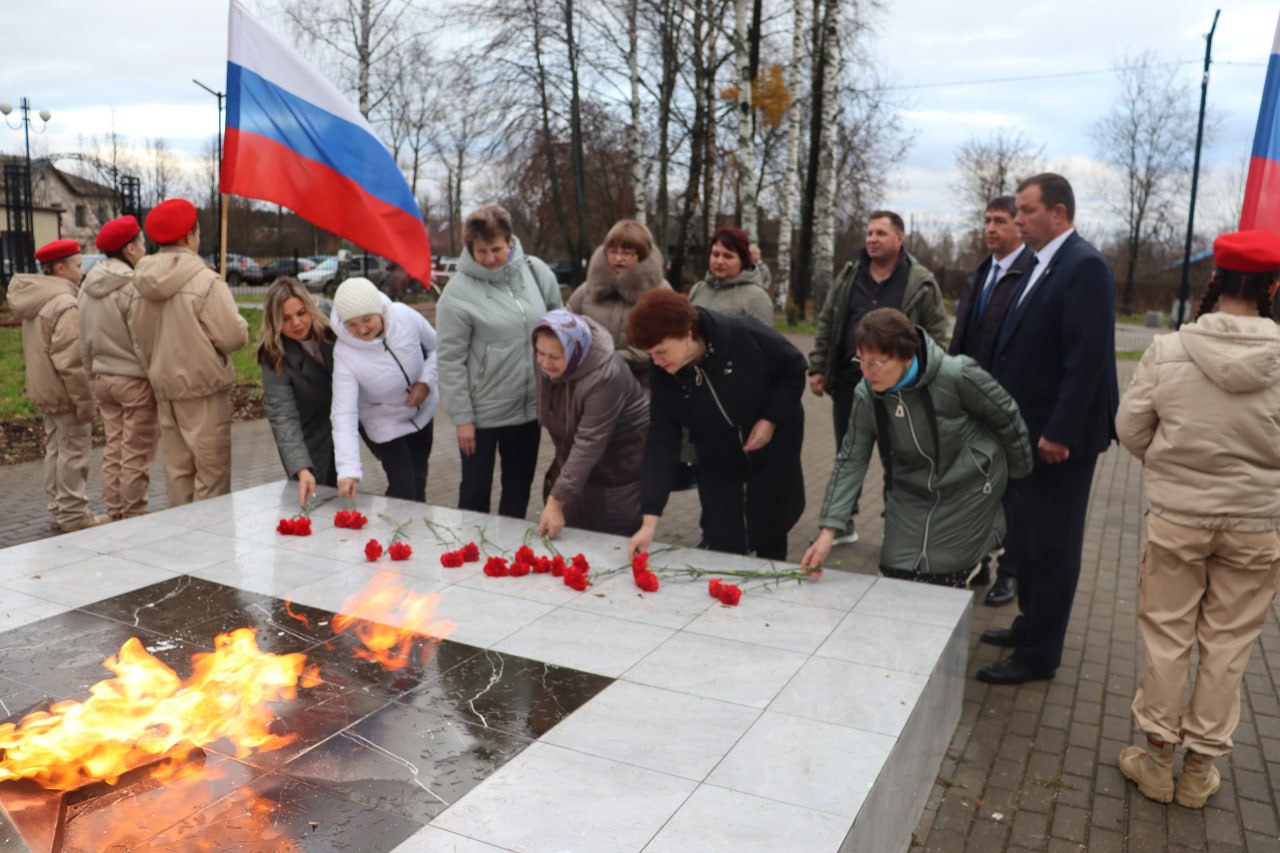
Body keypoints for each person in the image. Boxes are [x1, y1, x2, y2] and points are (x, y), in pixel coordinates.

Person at [1113, 230, 1280, 810]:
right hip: (1257, 524)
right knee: (1229, 643)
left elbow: (1131, 429)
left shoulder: (1168, 350)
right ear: (1273, 288)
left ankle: (1156, 759)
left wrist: (1174, 465)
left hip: (1178, 517)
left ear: (1215, 279)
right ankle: (1198, 769)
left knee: (1166, 634)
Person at [976, 173, 1119, 685]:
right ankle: (1030, 624)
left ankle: (1040, 655)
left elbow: (1086, 360)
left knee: (1054, 546)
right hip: (1029, 433)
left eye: (1026, 210)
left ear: (1058, 213)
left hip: (1060, 441)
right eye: (1016, 210)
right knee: (1030, 538)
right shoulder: (1039, 263)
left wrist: (1059, 430)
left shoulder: (1083, 266)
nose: (1017, 220)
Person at [800, 308, 1031, 585]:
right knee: (895, 574)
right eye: (861, 360)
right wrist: (828, 531)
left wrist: (1017, 483)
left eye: (876, 363)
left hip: (968, 487)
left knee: (944, 578)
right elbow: (851, 459)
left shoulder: (957, 374)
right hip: (910, 491)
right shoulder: (867, 394)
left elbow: (1007, 417)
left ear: (906, 356)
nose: (865, 372)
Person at [626, 290, 806, 560]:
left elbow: (794, 367)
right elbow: (661, 441)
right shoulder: (665, 372)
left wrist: (770, 419)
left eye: (661, 351)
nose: (657, 362)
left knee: (771, 526)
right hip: (717, 456)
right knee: (722, 535)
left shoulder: (744, 334)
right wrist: (649, 521)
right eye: (650, 354)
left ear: (687, 333)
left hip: (771, 448)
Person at [809, 211, 948, 546]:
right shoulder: (849, 275)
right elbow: (828, 321)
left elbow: (937, 335)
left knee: (898, 457)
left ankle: (897, 524)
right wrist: (817, 366)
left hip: (899, 390)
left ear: (900, 239)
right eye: (869, 232)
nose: (872, 238)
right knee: (848, 452)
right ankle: (842, 522)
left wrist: (922, 380)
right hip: (848, 383)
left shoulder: (920, 281)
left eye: (881, 233)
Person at [435, 204, 563, 517]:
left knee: (518, 493)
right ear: (470, 248)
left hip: (528, 410)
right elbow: (450, 360)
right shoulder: (457, 293)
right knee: (475, 495)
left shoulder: (535, 272)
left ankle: (508, 559)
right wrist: (462, 417)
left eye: (497, 249)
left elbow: (560, 327)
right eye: (482, 251)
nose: (491, 258)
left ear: (509, 241)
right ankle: (469, 558)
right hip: (481, 417)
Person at [130, 198, 248, 506]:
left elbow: (138, 337)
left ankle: (182, 542)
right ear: (189, 235)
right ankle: (210, 547)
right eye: (197, 231)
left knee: (178, 472)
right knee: (211, 473)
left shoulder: (140, 282)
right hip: (204, 387)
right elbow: (232, 336)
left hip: (165, 387)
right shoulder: (204, 280)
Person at [949, 196, 1037, 606]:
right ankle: (978, 560)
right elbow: (961, 339)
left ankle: (1011, 572)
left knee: (1013, 495)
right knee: (975, 487)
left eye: (999, 221)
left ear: (1019, 227)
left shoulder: (1031, 275)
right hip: (972, 405)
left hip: (1010, 407)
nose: (990, 228)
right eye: (986, 220)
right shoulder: (980, 273)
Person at [8, 239, 104, 532]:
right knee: (73, 452)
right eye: (77, 265)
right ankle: (74, 514)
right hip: (65, 394)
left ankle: (59, 510)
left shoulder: (38, 299)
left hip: (46, 390)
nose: (82, 271)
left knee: (56, 451)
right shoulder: (65, 303)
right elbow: (72, 361)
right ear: (60, 269)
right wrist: (86, 403)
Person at [533, 309, 649, 537]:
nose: (545, 363)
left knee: (611, 540)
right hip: (578, 467)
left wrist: (555, 502)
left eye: (555, 357)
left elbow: (589, 442)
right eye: (540, 353)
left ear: (575, 349)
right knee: (575, 536)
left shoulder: (606, 375)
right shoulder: (549, 365)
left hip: (618, 466)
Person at [331, 277, 438, 502]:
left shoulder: (404, 315)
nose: (361, 329)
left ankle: (414, 532)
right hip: (383, 421)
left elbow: (438, 347)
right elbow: (344, 413)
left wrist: (425, 381)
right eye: (351, 324)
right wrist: (348, 470)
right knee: (403, 487)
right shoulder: (344, 353)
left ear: (378, 310)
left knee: (419, 479)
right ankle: (392, 535)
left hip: (422, 412)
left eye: (367, 319)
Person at [78, 216, 157, 521]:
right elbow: (141, 339)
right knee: (136, 453)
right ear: (130, 249)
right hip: (133, 379)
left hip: (103, 378)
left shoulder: (87, 286)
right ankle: (134, 515)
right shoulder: (132, 285)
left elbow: (82, 336)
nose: (144, 248)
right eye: (140, 242)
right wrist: (153, 374)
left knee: (114, 449)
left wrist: (91, 374)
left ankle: (115, 513)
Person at [256, 277, 337, 507]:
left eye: (301, 313)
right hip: (309, 425)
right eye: (286, 319)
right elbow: (283, 416)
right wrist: (301, 469)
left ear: (310, 307)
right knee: (309, 495)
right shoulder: (273, 354)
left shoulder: (334, 321)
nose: (297, 323)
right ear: (274, 322)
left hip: (348, 411)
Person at [568, 219, 670, 388]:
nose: (618, 258)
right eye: (612, 251)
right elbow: (566, 330)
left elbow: (667, 342)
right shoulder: (587, 290)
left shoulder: (661, 293)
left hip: (641, 388)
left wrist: (615, 359)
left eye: (627, 253)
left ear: (642, 254)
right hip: (591, 386)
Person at [688, 226, 773, 327]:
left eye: (728, 256)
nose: (719, 261)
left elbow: (762, 341)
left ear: (743, 260)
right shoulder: (698, 289)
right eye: (715, 254)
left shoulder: (757, 298)